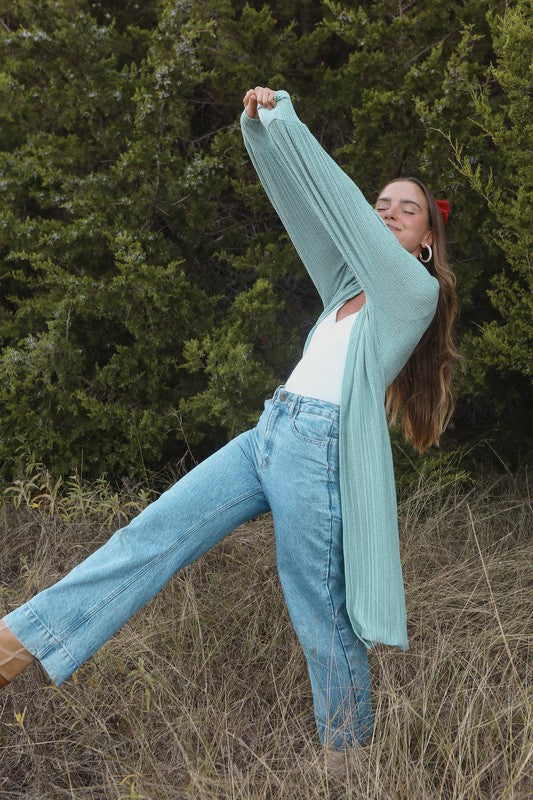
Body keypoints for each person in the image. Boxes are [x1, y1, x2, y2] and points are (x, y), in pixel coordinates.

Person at [0, 86, 458, 772]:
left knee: (317, 609)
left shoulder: (411, 295)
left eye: (406, 209)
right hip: (269, 434)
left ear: (426, 241)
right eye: (380, 203)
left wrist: (292, 121)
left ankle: (347, 757)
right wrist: (264, 136)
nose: (386, 212)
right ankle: (16, 645)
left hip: (316, 449)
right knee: (150, 534)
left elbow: (336, 203)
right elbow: (308, 212)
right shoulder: (345, 288)